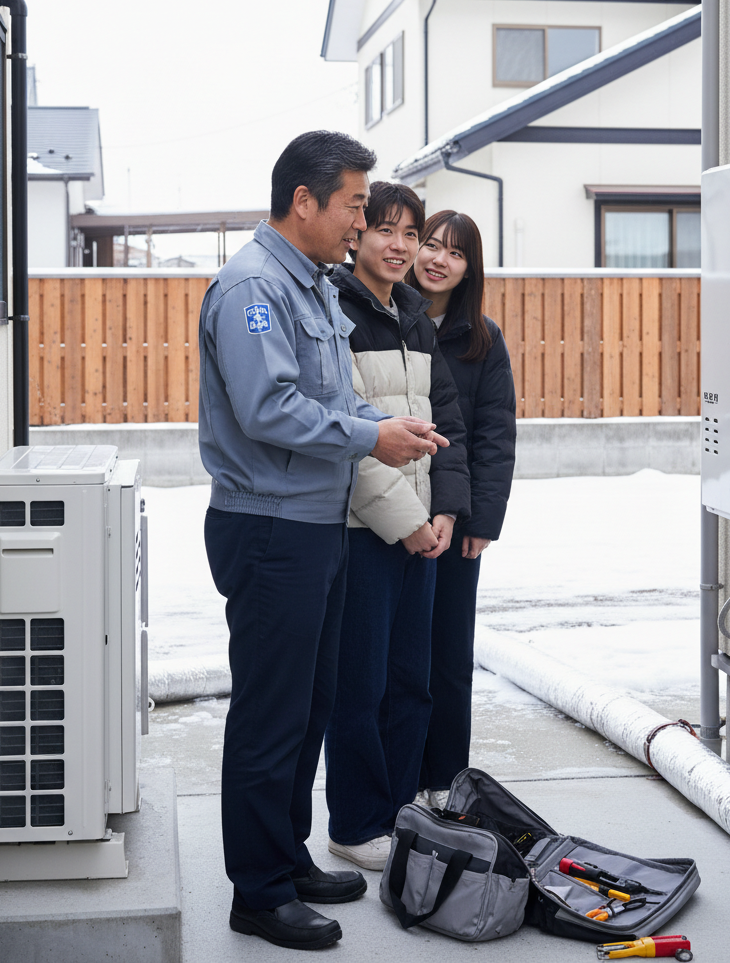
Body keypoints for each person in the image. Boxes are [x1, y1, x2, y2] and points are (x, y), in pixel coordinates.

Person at [198, 131, 449, 951]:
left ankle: (287, 857)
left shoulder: (310, 287)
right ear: (303, 201)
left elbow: (328, 395)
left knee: (308, 709)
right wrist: (369, 438)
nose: (361, 221)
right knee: (272, 716)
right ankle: (259, 892)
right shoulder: (253, 291)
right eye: (351, 204)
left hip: (314, 524)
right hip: (271, 527)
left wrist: (383, 420)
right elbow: (269, 409)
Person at [324, 182, 470, 870]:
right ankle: (355, 825)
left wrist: (443, 512)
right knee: (363, 685)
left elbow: (451, 427)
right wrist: (410, 521)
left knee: (414, 682)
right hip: (362, 533)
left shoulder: (416, 316)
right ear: (356, 235)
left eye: (411, 234)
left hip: (423, 533)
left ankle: (400, 813)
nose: (401, 246)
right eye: (386, 230)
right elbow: (344, 436)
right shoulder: (334, 312)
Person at [407, 210, 517, 807]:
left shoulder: (483, 338)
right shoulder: (387, 318)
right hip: (390, 511)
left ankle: (445, 784)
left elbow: (496, 434)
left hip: (458, 517)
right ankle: (399, 784)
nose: (437, 259)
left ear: (469, 268)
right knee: (397, 660)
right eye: (429, 245)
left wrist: (481, 520)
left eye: (454, 252)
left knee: (448, 658)